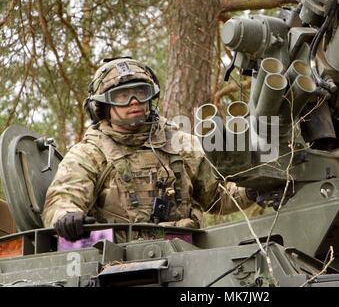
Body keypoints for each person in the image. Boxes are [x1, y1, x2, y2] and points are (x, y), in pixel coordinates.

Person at [42, 57, 255, 242]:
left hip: (188, 252)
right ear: (102, 106)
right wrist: (67, 217)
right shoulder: (90, 153)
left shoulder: (180, 144)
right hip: (119, 263)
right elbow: (62, 199)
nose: (134, 102)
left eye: (141, 93)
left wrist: (253, 191)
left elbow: (217, 197)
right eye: (122, 96)